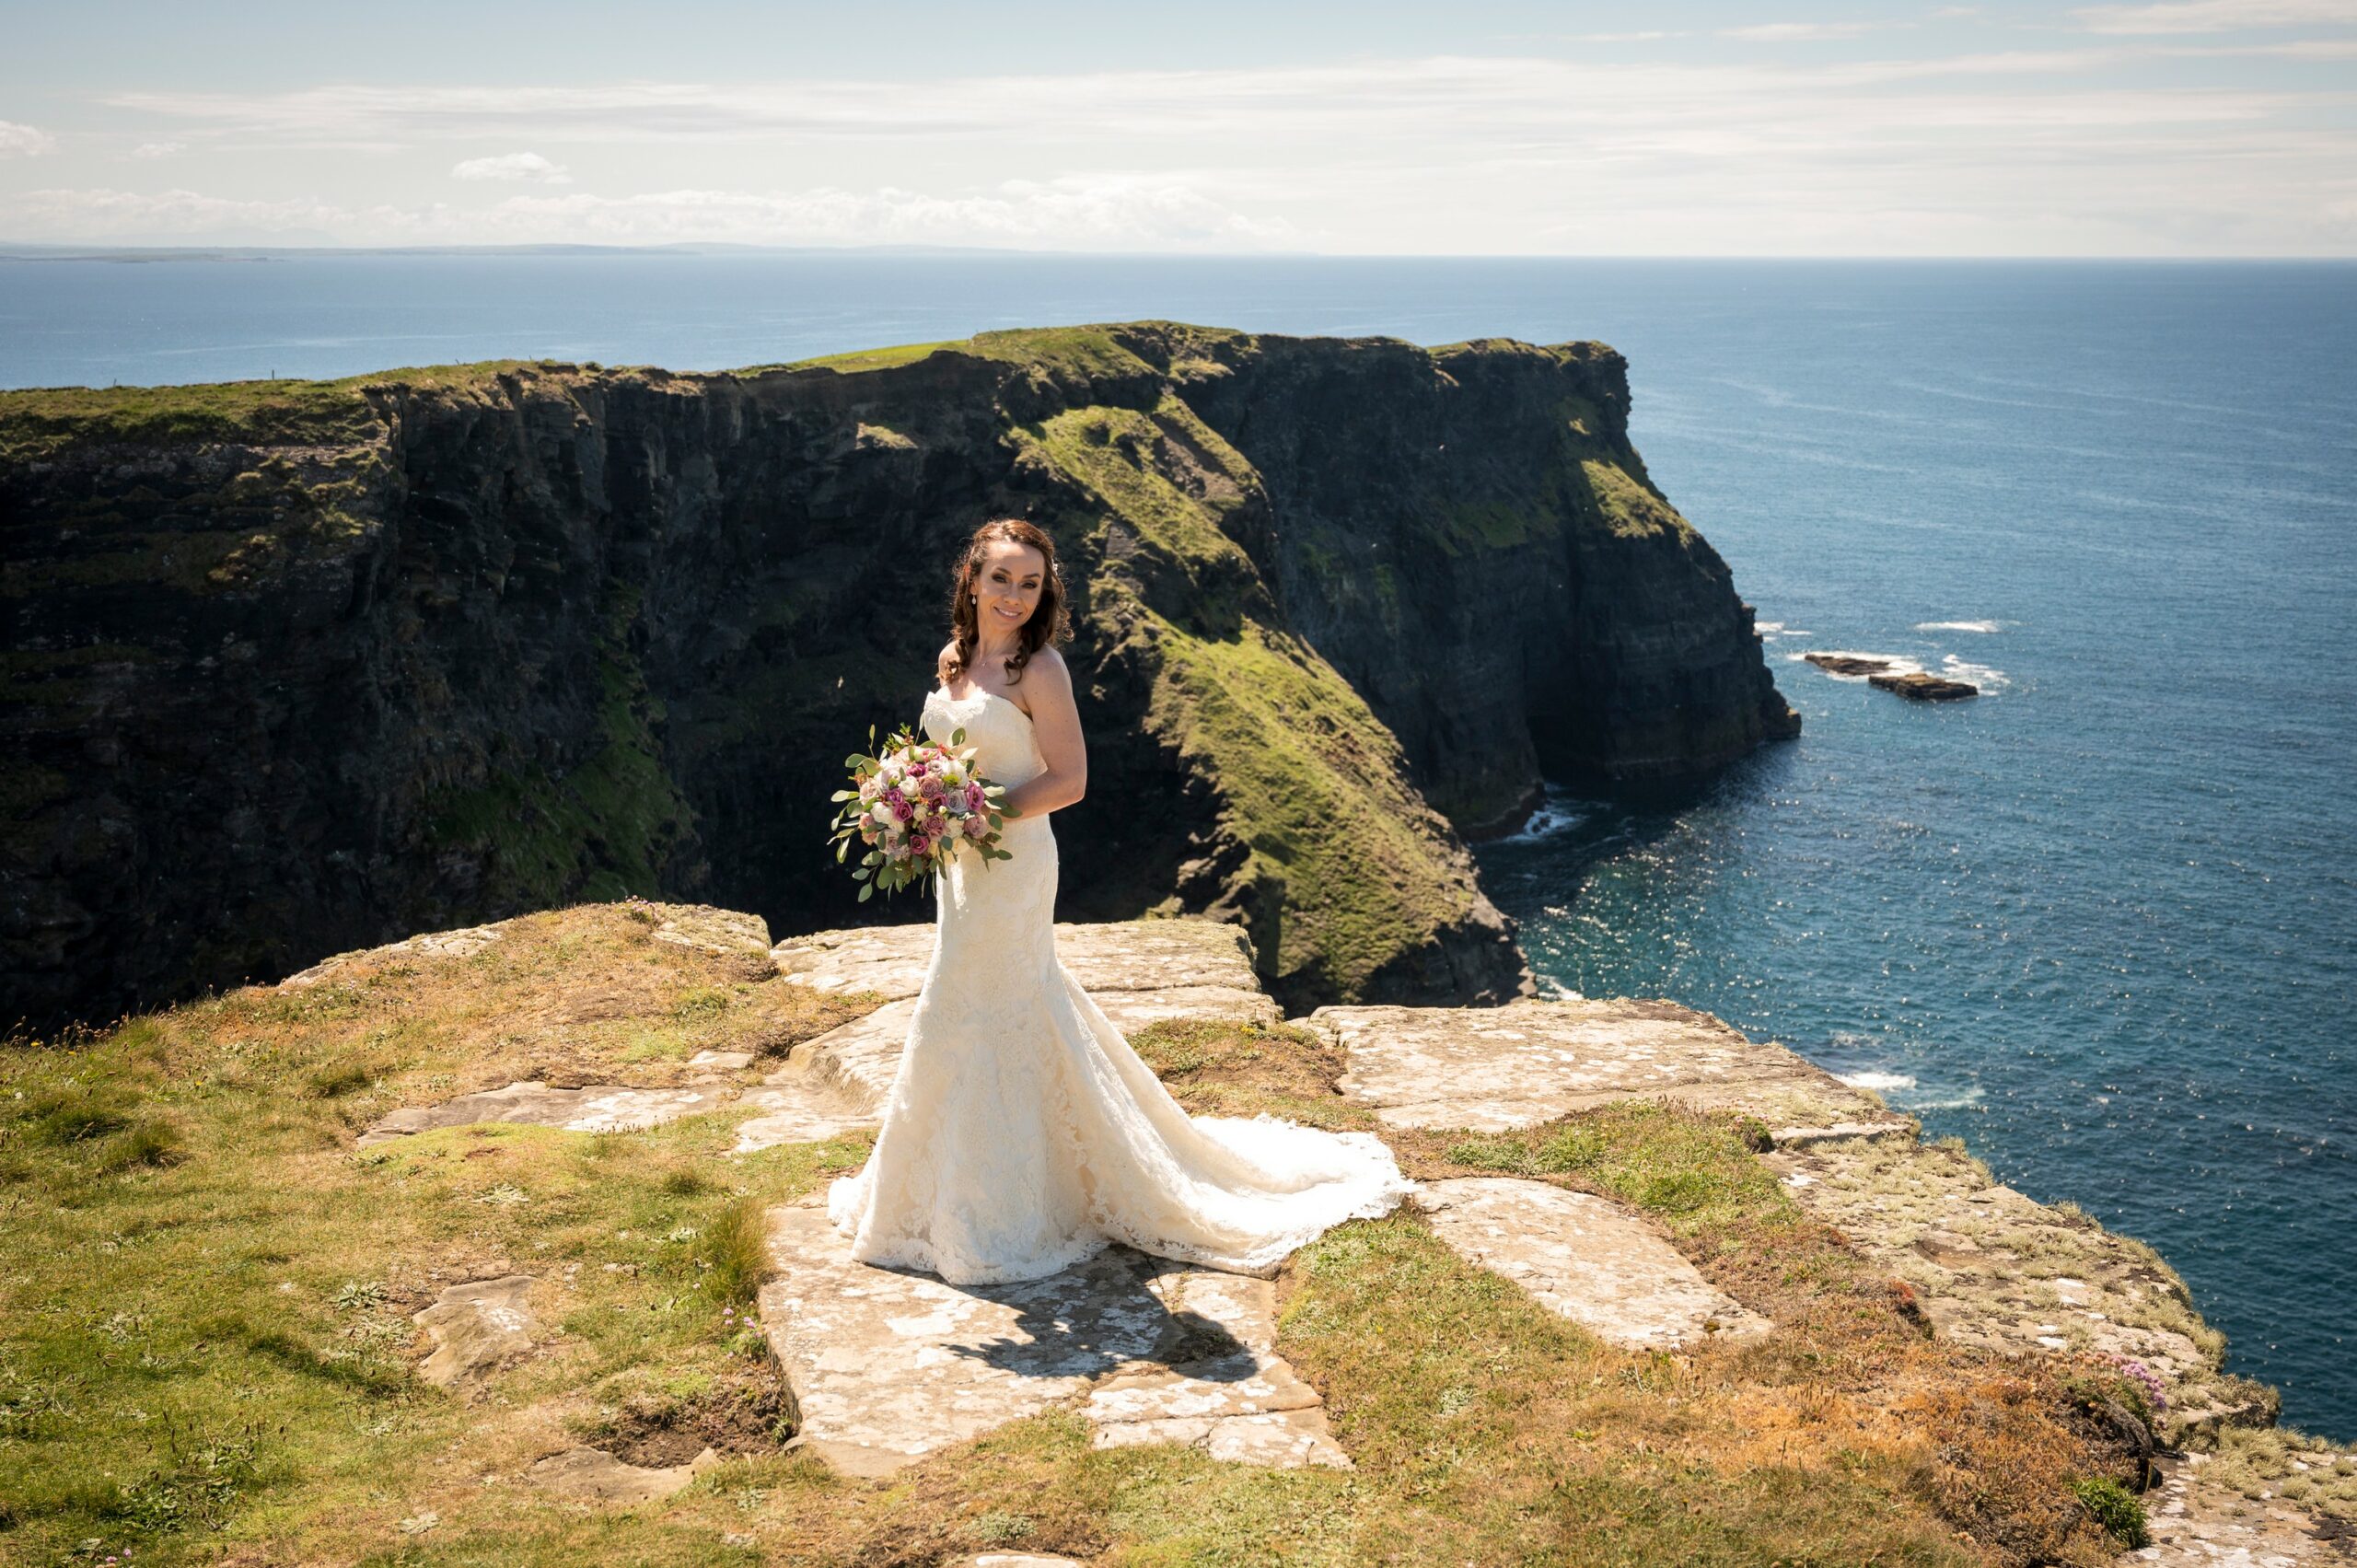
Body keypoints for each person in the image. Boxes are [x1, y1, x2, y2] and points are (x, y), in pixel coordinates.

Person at [825, 517, 1414, 1285]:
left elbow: (1069, 780)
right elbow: (947, 753)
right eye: (1000, 578)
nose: (1013, 595)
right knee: (969, 1002)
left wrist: (975, 811)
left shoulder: (1042, 671)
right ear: (971, 579)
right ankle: (935, 1193)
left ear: (1046, 591)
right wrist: (921, 804)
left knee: (983, 1002)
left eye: (1030, 583)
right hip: (961, 868)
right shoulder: (957, 659)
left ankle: (1001, 1208)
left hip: (1013, 860)